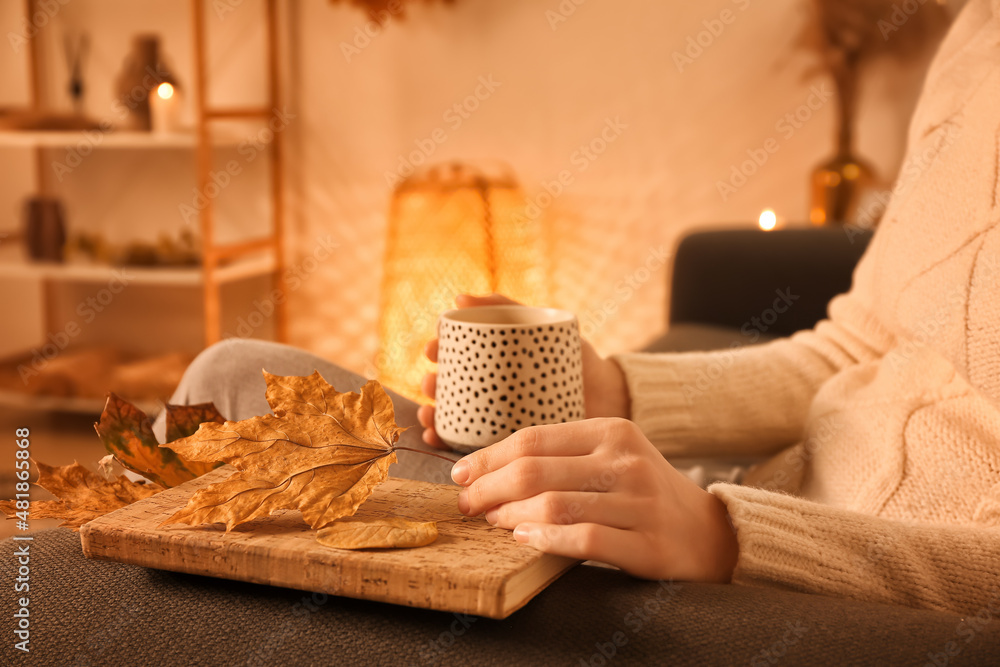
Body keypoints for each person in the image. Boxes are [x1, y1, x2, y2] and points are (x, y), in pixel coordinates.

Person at [164, 0, 1000, 617]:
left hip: (792, 593)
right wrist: (619, 393)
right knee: (230, 380)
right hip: (740, 499)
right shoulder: (976, 37)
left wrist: (725, 536)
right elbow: (856, 340)